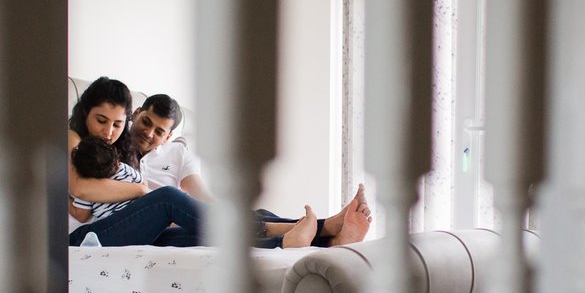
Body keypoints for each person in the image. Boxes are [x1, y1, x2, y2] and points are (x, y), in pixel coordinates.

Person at [67, 79, 319, 248]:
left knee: (188, 236)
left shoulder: (117, 149)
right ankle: (265, 229)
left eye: (117, 124)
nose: (108, 131)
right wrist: (142, 192)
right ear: (85, 112)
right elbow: (80, 190)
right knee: (167, 197)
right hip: (83, 238)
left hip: (117, 228)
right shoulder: (71, 137)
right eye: (101, 120)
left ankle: (303, 238)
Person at [126, 93, 371, 247]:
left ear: (168, 137)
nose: (149, 133)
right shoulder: (113, 144)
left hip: (181, 217)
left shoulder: (178, 152)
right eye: (146, 122)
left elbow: (200, 193)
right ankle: (320, 232)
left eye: (159, 131)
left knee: (245, 214)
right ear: (136, 114)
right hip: (150, 224)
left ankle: (331, 237)